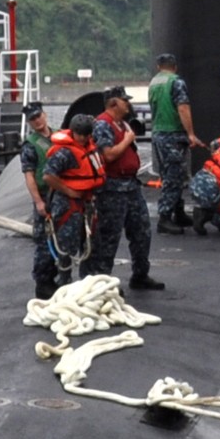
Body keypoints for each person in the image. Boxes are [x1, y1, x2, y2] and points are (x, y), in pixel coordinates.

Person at [87, 88, 161, 291]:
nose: (128, 104)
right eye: (124, 101)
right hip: (112, 189)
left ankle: (140, 274)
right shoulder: (102, 125)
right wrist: (127, 140)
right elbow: (108, 155)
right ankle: (103, 281)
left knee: (142, 231)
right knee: (109, 236)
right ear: (113, 104)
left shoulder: (123, 124)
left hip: (131, 186)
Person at [34, 113, 106, 297]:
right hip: (68, 205)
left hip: (86, 204)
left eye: (85, 134)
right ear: (73, 132)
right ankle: (63, 283)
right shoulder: (65, 153)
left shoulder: (90, 147)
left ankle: (89, 282)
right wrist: (69, 191)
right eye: (79, 134)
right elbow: (48, 176)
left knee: (90, 245)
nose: (82, 138)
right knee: (66, 247)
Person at [148, 52, 205, 233]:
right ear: (175, 66)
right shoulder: (176, 82)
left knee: (169, 175)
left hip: (158, 133)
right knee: (174, 177)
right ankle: (164, 218)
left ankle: (178, 212)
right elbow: (183, 107)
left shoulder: (154, 83)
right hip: (172, 134)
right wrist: (191, 134)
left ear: (158, 66)